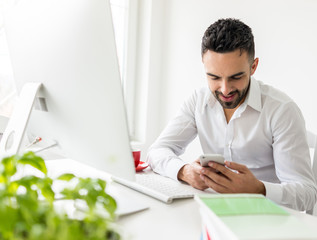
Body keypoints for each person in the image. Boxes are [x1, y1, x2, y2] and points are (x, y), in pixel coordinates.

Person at [146, 18, 317, 211]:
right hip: (214, 211)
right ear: (204, 65)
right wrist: (184, 171)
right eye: (214, 77)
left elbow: (307, 194)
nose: (225, 89)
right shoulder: (198, 101)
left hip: (268, 217)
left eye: (236, 77)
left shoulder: (282, 110)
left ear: (253, 67)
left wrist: (259, 189)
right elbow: (156, 151)